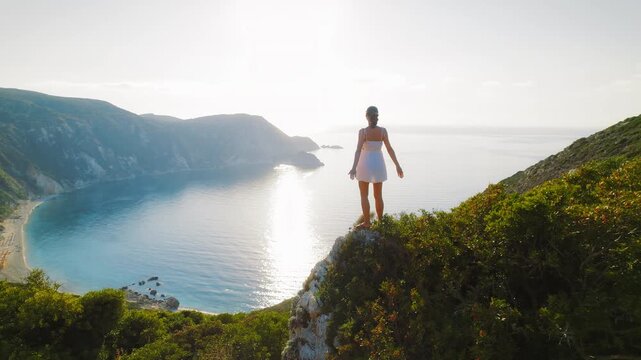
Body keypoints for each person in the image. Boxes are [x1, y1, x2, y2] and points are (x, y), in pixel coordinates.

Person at [348, 106, 403, 229]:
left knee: (364, 195)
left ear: (367, 116)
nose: (375, 118)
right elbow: (389, 149)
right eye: (376, 116)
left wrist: (353, 167)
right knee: (378, 196)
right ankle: (380, 222)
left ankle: (367, 223)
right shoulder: (383, 131)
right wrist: (397, 166)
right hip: (378, 164)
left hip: (364, 165)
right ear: (375, 117)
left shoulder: (363, 132)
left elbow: (358, 151)